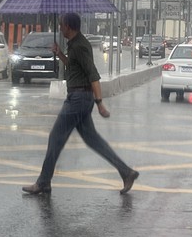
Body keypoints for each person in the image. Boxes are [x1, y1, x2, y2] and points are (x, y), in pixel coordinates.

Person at [22, 12, 139, 196]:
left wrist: (100, 103)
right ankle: (126, 172)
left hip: (78, 99)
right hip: (81, 98)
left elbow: (93, 74)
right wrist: (60, 54)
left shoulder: (80, 46)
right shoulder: (76, 45)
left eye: (62, 25)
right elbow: (74, 66)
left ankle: (43, 182)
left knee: (55, 138)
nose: (60, 28)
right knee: (93, 140)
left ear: (69, 26)